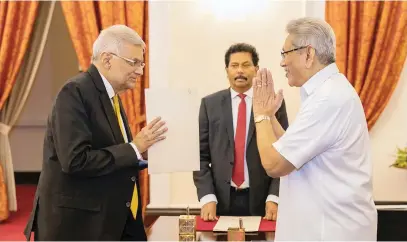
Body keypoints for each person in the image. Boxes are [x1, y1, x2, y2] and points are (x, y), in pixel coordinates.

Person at [24, 25, 167, 241]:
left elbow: (109, 151)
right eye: (134, 62)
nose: (140, 71)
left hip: (113, 218)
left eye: (142, 63)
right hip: (79, 226)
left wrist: (140, 155)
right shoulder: (74, 92)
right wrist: (134, 148)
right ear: (107, 59)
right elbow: (75, 160)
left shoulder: (112, 96)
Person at [252, 17, 377, 240]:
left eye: (285, 53)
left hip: (329, 231)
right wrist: (270, 116)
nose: (282, 63)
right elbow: (291, 150)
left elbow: (274, 164)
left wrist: (260, 114)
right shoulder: (326, 92)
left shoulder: (328, 99)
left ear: (308, 54)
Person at [193, 43, 289, 222]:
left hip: (263, 202)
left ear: (256, 69)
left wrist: (274, 197)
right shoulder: (209, 105)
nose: (240, 71)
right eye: (234, 66)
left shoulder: (272, 102)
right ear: (227, 70)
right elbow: (200, 155)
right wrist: (207, 197)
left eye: (246, 65)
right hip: (220, 201)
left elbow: (285, 153)